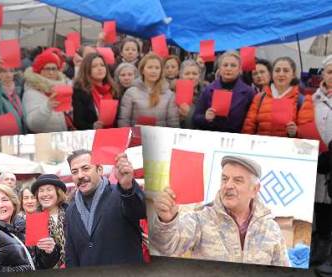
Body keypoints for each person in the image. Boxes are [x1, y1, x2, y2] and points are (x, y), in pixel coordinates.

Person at [150, 155, 289, 266]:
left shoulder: (271, 229)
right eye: (224, 179)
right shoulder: (201, 219)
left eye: (238, 180)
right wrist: (166, 220)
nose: (228, 185)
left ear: (255, 189)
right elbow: (167, 247)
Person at [64, 150, 146, 267]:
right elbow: (71, 256)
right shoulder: (71, 211)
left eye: (86, 168)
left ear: (99, 170)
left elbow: (141, 211)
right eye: (75, 172)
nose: (80, 175)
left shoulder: (121, 194)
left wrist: (128, 186)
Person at [0, 184, 60, 273]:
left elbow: (43, 265)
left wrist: (48, 252)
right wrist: (28, 269)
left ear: (14, 204)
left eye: (5, 200)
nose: (0, 205)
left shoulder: (23, 227)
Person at [242, 56, 313, 137]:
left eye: (286, 71)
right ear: (272, 74)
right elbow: (248, 127)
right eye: (277, 70)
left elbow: (308, 136)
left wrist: (296, 132)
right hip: (261, 146)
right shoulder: (259, 97)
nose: (281, 74)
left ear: (293, 75)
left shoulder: (303, 100)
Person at [193, 51, 255, 133]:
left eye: (233, 65)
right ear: (220, 68)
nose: (228, 68)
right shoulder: (208, 90)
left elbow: (251, 122)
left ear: (239, 69)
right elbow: (195, 118)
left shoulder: (249, 92)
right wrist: (205, 118)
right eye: (225, 65)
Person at [309, 55, 332, 268]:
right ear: (323, 74)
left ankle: (326, 249)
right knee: (318, 205)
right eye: (330, 71)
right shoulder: (312, 99)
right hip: (317, 159)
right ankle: (318, 245)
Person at [118, 53, 180, 127]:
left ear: (161, 71)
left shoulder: (169, 95)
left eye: (157, 68)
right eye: (150, 67)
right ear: (142, 70)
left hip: (160, 137)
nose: (153, 71)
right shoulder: (131, 93)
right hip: (136, 136)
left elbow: (173, 123)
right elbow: (124, 120)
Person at [22, 50, 73, 133]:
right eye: (47, 69)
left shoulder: (60, 88)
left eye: (54, 69)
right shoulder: (31, 93)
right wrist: (47, 107)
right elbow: (32, 125)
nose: (51, 72)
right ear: (39, 71)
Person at [31, 174, 69, 268]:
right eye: (41, 191)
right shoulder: (35, 220)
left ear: (58, 192)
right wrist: (48, 252)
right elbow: (37, 260)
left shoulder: (71, 213)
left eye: (49, 189)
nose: (45, 194)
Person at [72, 52, 118, 129]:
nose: (100, 68)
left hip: (112, 134)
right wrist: (92, 127)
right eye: (94, 66)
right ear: (87, 69)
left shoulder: (113, 89)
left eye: (102, 65)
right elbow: (78, 121)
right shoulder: (80, 91)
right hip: (90, 136)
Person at [177, 59, 205, 129]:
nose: (191, 77)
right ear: (181, 75)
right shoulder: (173, 95)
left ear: (199, 76)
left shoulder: (206, 94)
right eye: (187, 74)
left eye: (194, 74)